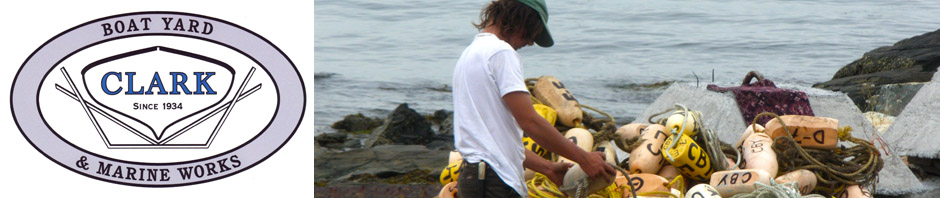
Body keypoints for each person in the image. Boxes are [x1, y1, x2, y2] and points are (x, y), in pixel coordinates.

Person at [452, 0, 616, 197]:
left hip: (473, 177)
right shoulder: (501, 53)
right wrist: (584, 158)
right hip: (495, 183)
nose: (530, 42)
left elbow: (493, 142)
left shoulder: (471, 54)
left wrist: (547, 167)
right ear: (521, 19)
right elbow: (530, 121)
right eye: (532, 33)